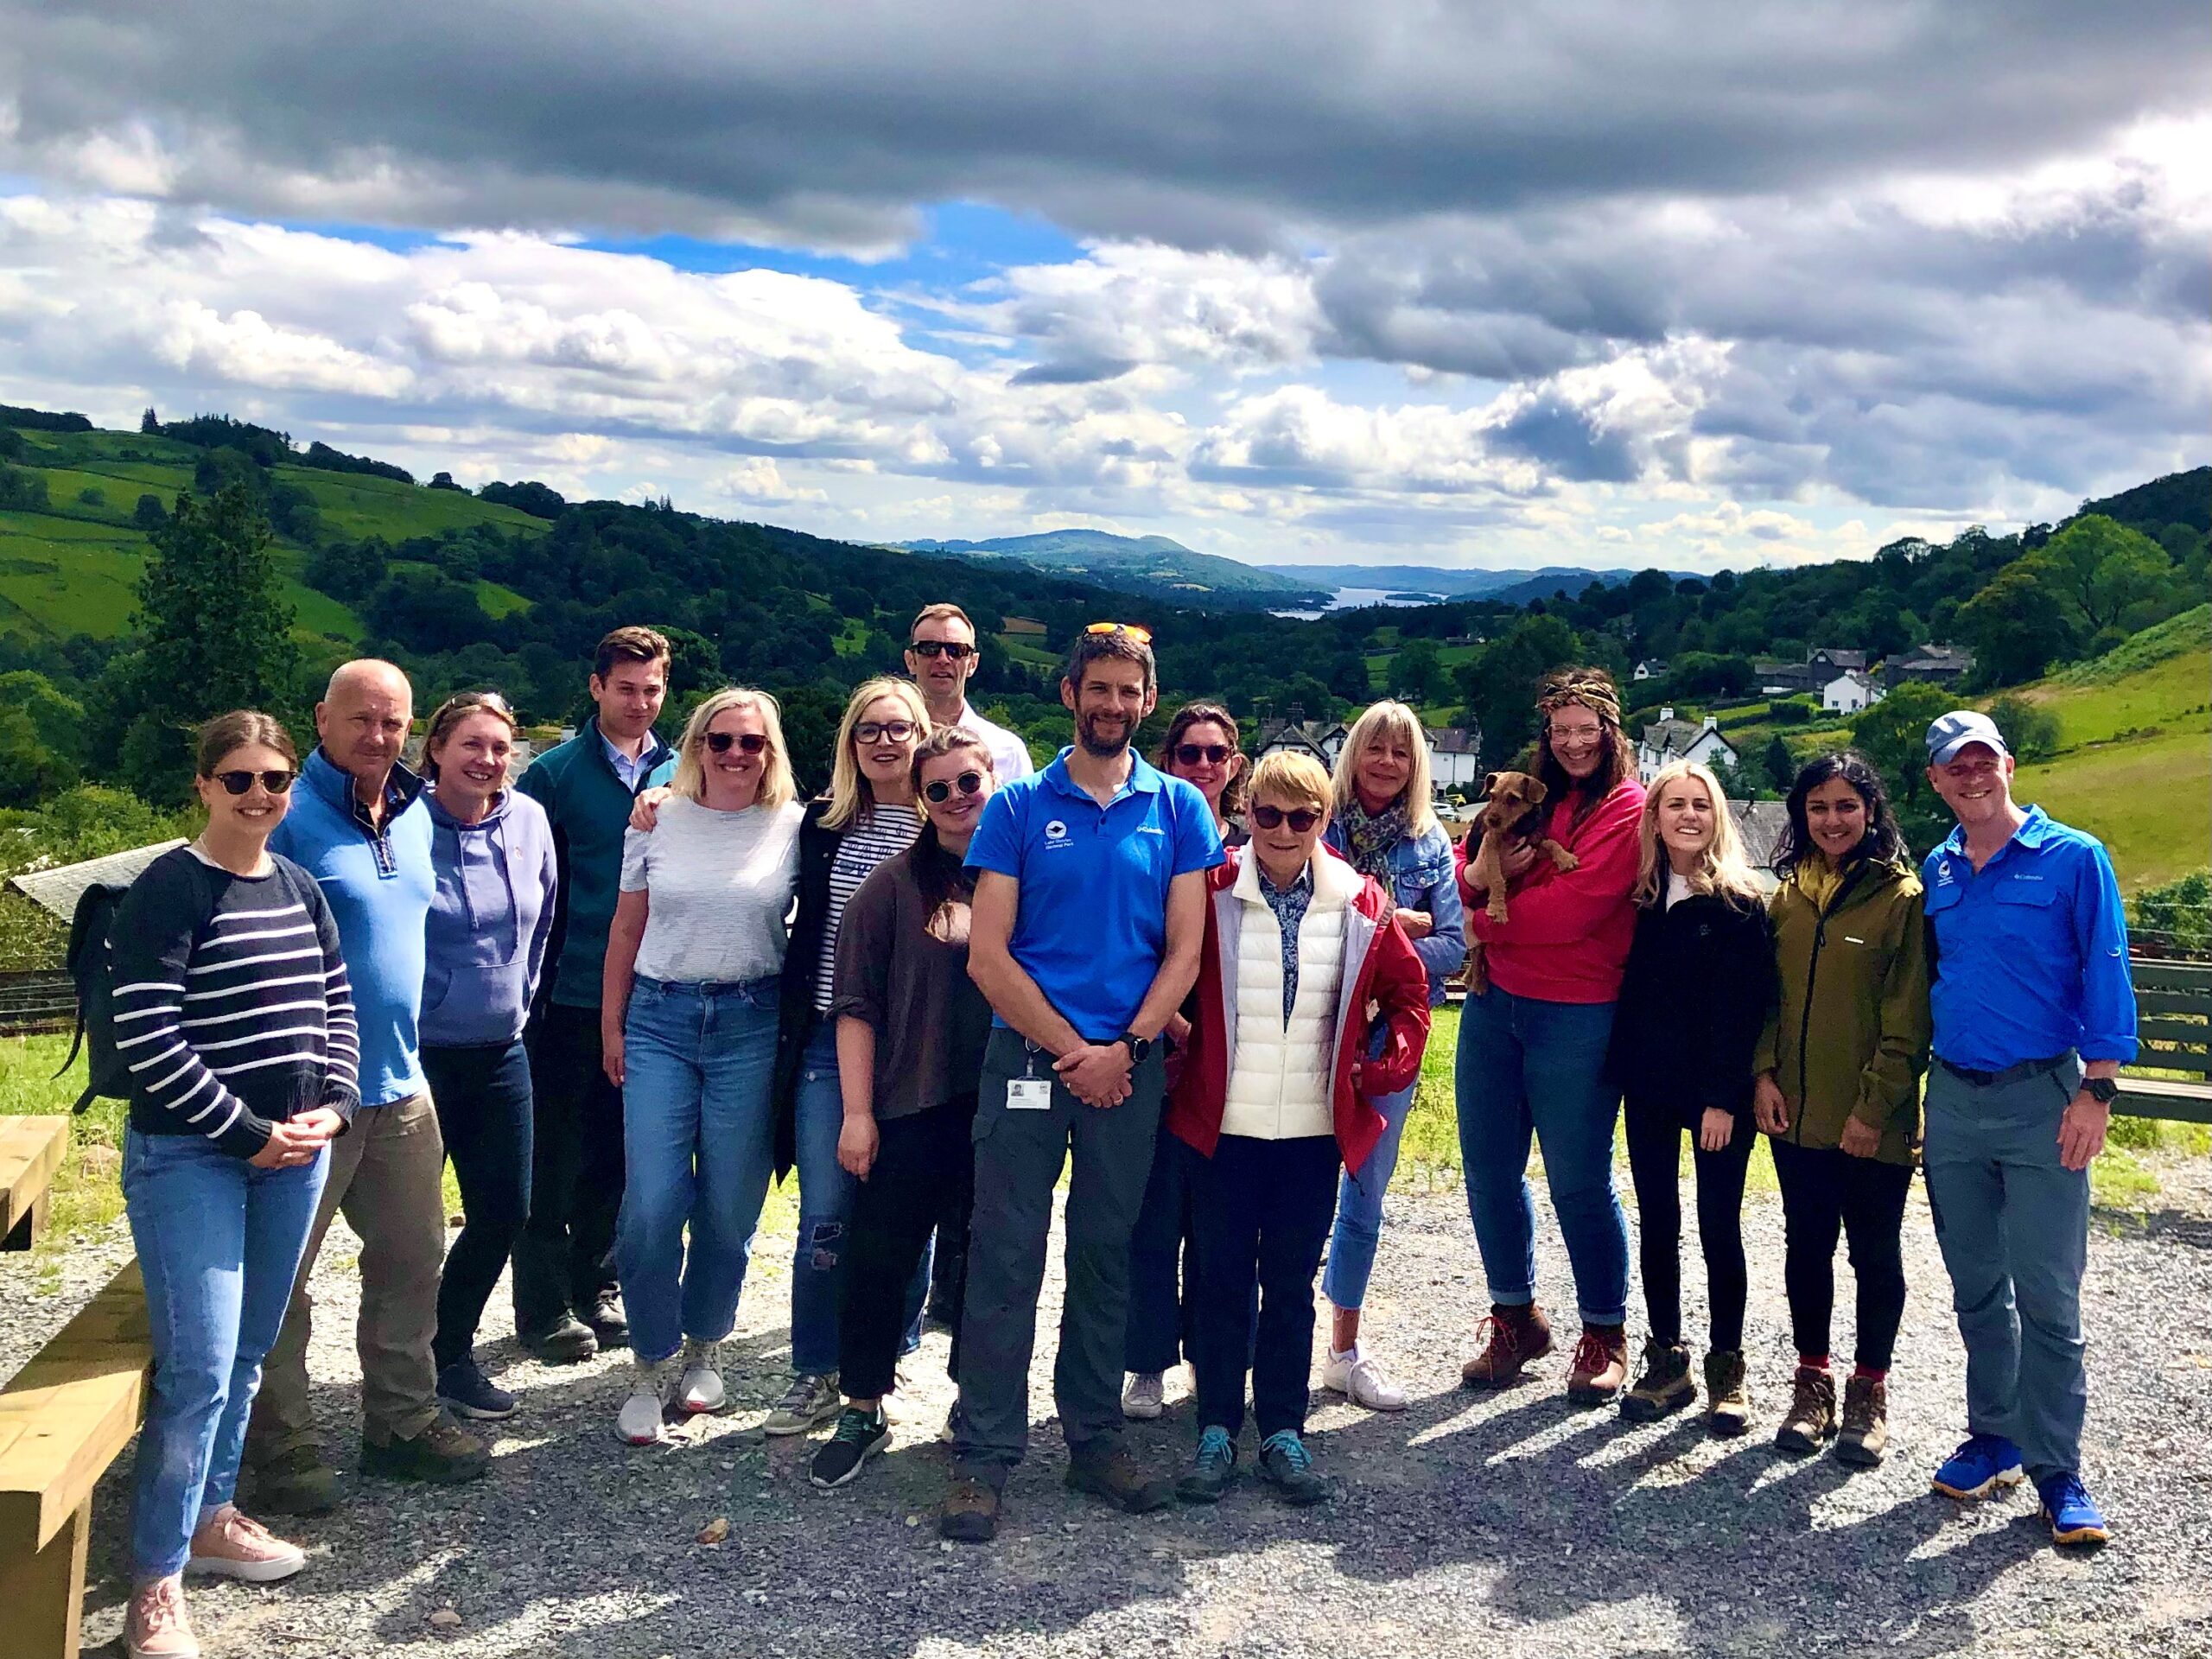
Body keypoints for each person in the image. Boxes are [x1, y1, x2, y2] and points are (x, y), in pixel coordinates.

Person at [942, 622, 1224, 1543]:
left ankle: (1094, 1439)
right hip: (1029, 1062)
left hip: (1128, 1067)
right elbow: (989, 956)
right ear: (1070, 693)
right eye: (1096, 688)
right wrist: (1075, 1051)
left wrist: (1126, 1051)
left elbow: (1183, 950)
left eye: (1127, 691)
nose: (1112, 705)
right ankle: (983, 1456)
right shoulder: (1017, 806)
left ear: (1147, 701)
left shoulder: (1178, 808)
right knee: (1005, 1257)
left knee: (1107, 1255)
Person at [113, 714, 358, 1659]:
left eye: (276, 778)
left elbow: (339, 1003)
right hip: (194, 1159)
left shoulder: (298, 885)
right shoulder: (168, 891)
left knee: (251, 1352)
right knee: (199, 1370)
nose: (260, 794)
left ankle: (212, 1517)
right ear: (204, 786)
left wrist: (333, 1107)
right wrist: (246, 1133)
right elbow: (149, 1039)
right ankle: (155, 1582)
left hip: (296, 1154)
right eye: (240, 778)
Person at [245, 661, 488, 1514]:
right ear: (321, 717)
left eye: (393, 723)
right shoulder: (282, 812)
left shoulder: (417, 811)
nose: (378, 737)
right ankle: (279, 1446)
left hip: (398, 1081)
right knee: (281, 1277)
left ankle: (399, 1425)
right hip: (304, 1094)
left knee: (412, 1262)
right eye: (361, 720)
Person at [1166, 752, 1432, 1507]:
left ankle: (1283, 1430)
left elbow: (1412, 995)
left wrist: (1379, 1073)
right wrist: (1189, 1044)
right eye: (1269, 814)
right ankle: (1216, 1427)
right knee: (1217, 1280)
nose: (1284, 831)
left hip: (1312, 1131)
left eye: (1302, 817)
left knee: (1289, 1284)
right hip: (1223, 1128)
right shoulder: (1208, 891)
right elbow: (1160, 972)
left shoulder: (1362, 903)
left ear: (1324, 820)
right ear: (1247, 812)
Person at [1916, 710, 2135, 1548]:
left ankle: (2057, 1467)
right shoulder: (1937, 868)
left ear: (2006, 765)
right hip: (1957, 1100)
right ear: (1936, 780)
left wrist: (2098, 1091)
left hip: (2045, 1097)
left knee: (2047, 1294)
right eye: (1953, 767)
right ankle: (1994, 1434)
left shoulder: (2073, 858)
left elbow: (2104, 968)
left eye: (1982, 761)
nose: (1971, 776)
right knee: (1976, 1285)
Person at [602, 688, 804, 1445]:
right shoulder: (656, 818)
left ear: (771, 751)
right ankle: (649, 1360)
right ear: (696, 745)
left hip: (751, 1021)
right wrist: (611, 1028)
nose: (734, 755)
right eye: (719, 740)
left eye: (751, 743)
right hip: (660, 1017)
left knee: (730, 1202)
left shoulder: (793, 825)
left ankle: (705, 1343)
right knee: (653, 1202)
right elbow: (626, 930)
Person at [809, 728, 999, 1490]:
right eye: (940, 789)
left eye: (969, 782)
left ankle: (973, 1400)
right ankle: (862, 1404)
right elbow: (854, 1006)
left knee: (984, 1260)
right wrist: (858, 1115)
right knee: (880, 1257)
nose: (958, 799)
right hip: (909, 1101)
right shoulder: (887, 889)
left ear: (993, 781)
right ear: (921, 800)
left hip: (1000, 1106)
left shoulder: (1019, 878)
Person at [1454, 668, 1643, 1402]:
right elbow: (1470, 876)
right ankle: (1515, 1318)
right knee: (1488, 1172)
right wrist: (1478, 898)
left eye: (1585, 729)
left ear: (1609, 732)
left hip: (1578, 1011)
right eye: (1560, 730)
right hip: (1494, 1004)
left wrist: (1476, 927)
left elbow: (1576, 911)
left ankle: (1604, 1330)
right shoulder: (1525, 798)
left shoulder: (1628, 809)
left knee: (1577, 1180)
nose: (1571, 743)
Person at [761, 677, 931, 1433]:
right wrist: (663, 797)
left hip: (918, 1047)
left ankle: (886, 1350)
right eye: (869, 730)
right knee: (826, 1213)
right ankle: (815, 1368)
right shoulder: (820, 825)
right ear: (849, 744)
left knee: (907, 1207)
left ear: (921, 736)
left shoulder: (953, 822)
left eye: (898, 729)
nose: (885, 742)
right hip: (832, 1039)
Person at [1752, 752, 1929, 1466]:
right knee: (1806, 1249)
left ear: (1871, 812)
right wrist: (1761, 1073)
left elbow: (1909, 1018)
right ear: (1801, 814)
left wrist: (1872, 1109)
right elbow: (1767, 996)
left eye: (1846, 806)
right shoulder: (1788, 895)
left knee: (1876, 1257)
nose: (1832, 820)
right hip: (1794, 1116)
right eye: (1818, 807)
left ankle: (1869, 1392)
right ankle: (1812, 1384)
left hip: (1870, 1126)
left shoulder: (1902, 899)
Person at [511, 627, 677, 1363]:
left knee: (619, 1154)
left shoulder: (686, 769)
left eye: (653, 690)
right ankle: (542, 1306)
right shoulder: (551, 776)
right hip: (569, 995)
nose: (639, 704)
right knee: (553, 1156)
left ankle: (596, 1286)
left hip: (654, 995)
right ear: (596, 688)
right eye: (626, 689)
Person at [1611, 761, 1774, 1435]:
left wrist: (1723, 1098)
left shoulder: (1739, 906)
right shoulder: (1642, 900)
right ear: (1654, 817)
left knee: (1718, 1228)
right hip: (1648, 1089)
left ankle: (1727, 1366)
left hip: (1715, 1098)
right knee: (1658, 1222)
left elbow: (1742, 1012)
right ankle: (1666, 1356)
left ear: (1717, 817)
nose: (1687, 815)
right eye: (1673, 804)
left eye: (1699, 805)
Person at [1316, 699, 1466, 1411]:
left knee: (1365, 1191)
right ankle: (1270, 1340)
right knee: (1285, 1184)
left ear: (1415, 766)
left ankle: (1343, 1350)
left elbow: (1454, 947)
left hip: (1386, 1041)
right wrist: (1392, 922)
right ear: (1353, 753)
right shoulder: (1317, 820)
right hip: (1306, 1027)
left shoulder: (1431, 843)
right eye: (1374, 748)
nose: (1385, 762)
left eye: (1400, 753)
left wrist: (1376, 939)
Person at [417, 691, 558, 1423]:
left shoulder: (530, 820)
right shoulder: (403, 826)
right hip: (417, 1056)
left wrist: (522, 1001)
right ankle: (398, 1369)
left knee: (504, 1210)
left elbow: (544, 920)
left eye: (501, 748)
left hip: (502, 1048)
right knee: (408, 1228)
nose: (488, 760)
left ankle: (449, 1353)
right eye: (472, 744)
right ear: (436, 748)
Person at [1123, 700, 1249, 1421]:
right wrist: (1171, 1025)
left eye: (1216, 753)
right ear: (1169, 761)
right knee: (1152, 1216)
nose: (1203, 765)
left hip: (1233, 1057)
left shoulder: (1257, 838)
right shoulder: (1151, 833)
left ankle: (1212, 1354)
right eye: (1189, 753)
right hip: (1161, 1046)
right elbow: (1133, 941)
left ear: (1233, 764)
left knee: (1219, 1222)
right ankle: (1146, 1364)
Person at [905, 602, 1033, 785]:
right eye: (929, 648)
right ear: (911, 661)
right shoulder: (886, 744)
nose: (942, 659)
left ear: (972, 663)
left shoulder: (1008, 752)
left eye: (956, 651)